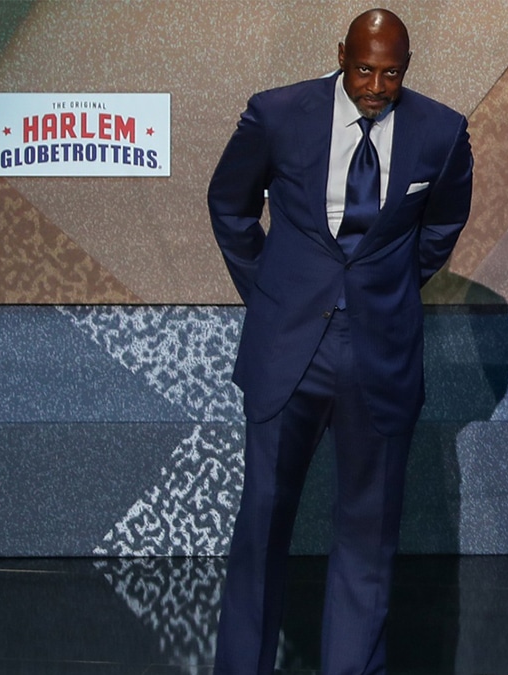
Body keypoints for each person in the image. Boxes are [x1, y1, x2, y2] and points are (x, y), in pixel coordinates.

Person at [206, 8, 473, 675]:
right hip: (286, 350)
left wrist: (380, 297)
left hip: (379, 357)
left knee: (368, 539)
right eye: (364, 69)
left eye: (391, 73)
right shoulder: (276, 114)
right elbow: (230, 205)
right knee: (262, 528)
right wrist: (272, 292)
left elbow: (440, 228)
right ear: (341, 56)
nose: (376, 86)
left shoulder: (440, 131)